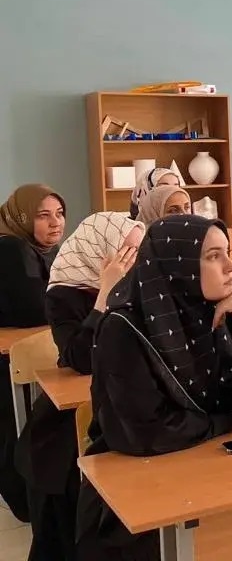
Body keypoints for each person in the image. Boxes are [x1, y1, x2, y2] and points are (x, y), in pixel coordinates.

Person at [76, 215, 232, 560]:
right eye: (214, 256)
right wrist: (229, 420)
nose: (231, 267)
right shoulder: (123, 329)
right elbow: (149, 433)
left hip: (214, 478)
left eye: (228, 253)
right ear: (178, 266)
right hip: (135, 507)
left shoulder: (226, 312)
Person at [18, 212, 142, 560]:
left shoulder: (139, 286)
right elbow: (80, 358)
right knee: (71, 479)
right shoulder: (63, 292)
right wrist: (105, 293)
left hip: (119, 399)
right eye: (125, 252)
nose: (133, 261)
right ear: (102, 250)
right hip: (63, 419)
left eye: (138, 251)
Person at [0, 183, 65, 522]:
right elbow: (37, 307)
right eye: (43, 215)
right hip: (9, 359)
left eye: (60, 213)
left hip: (26, 351)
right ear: (22, 217)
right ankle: (27, 501)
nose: (56, 222)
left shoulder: (41, 249)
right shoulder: (11, 247)